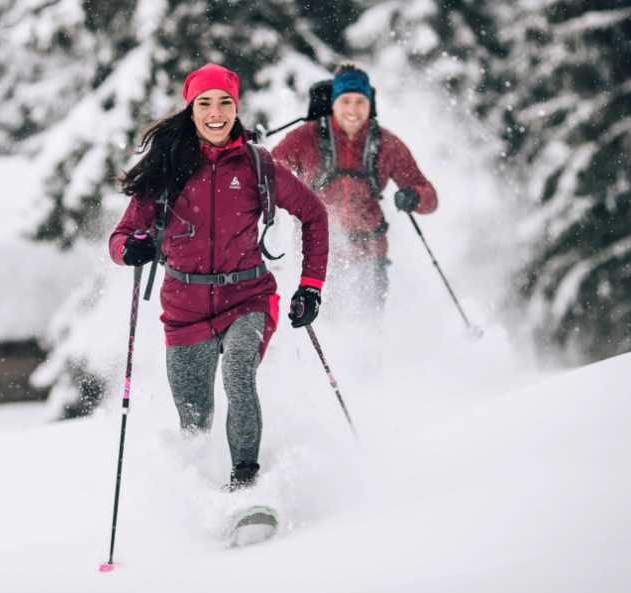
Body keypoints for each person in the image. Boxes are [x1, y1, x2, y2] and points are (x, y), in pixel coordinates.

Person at [108, 63, 329, 490]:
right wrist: (129, 249)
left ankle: (246, 478)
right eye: (204, 103)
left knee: (239, 375)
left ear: (236, 107)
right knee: (195, 419)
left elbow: (314, 214)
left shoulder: (256, 166)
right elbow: (120, 236)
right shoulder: (167, 167)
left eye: (224, 102)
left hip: (248, 298)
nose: (215, 112)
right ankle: (201, 496)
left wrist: (311, 287)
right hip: (184, 309)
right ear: (190, 110)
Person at [272, 64, 438, 310]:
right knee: (327, 327)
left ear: (370, 104)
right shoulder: (306, 138)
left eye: (360, 101)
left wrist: (414, 196)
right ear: (334, 102)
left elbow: (429, 197)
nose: (353, 109)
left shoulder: (386, 144)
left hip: (371, 256)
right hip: (316, 258)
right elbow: (267, 173)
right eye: (345, 101)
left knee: (368, 328)